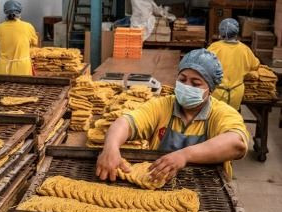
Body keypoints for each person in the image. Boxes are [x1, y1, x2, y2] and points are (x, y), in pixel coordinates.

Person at [96, 49, 248, 183]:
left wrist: (185, 155)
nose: (187, 86)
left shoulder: (221, 113)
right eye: (182, 80)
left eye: (195, 84)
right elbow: (124, 123)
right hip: (159, 182)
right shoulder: (162, 106)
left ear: (211, 89)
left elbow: (237, 143)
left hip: (208, 189)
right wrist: (111, 147)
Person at [207, 18, 260, 110]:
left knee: (214, 119)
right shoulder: (245, 49)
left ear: (221, 32)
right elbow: (255, 65)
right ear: (236, 33)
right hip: (236, 93)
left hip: (216, 92)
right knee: (232, 119)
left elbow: (203, 67)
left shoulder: (214, 48)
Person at [0, 0, 38, 76]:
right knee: (23, 87)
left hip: (4, 68)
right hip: (21, 67)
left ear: (5, 12)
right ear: (19, 12)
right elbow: (35, 43)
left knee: (3, 87)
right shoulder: (28, 26)